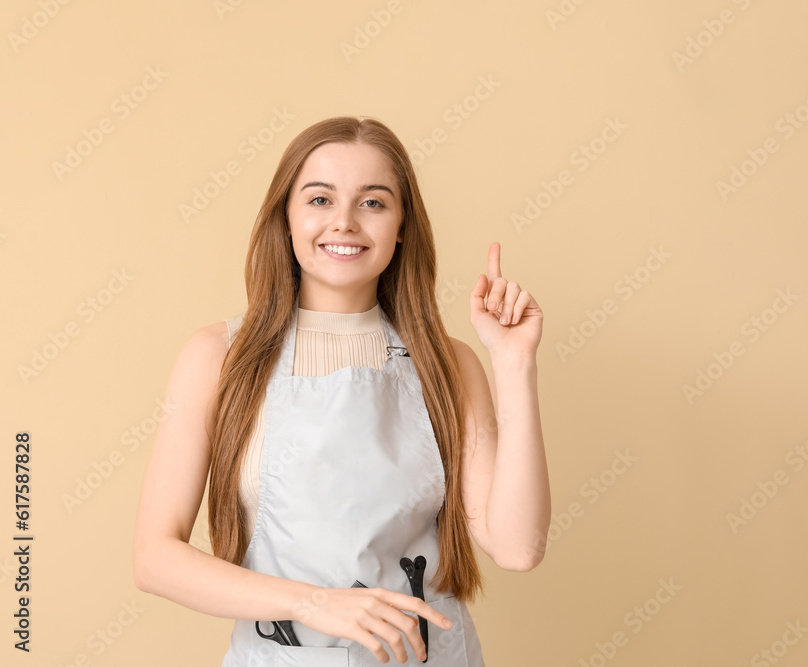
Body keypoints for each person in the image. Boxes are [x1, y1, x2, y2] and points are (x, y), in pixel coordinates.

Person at [132, 116, 550, 665]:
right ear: (286, 217)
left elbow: (518, 547)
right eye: (320, 199)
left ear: (402, 225)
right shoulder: (218, 357)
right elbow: (154, 558)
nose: (345, 223)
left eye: (373, 203)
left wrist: (514, 364)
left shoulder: (448, 363)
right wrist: (312, 602)